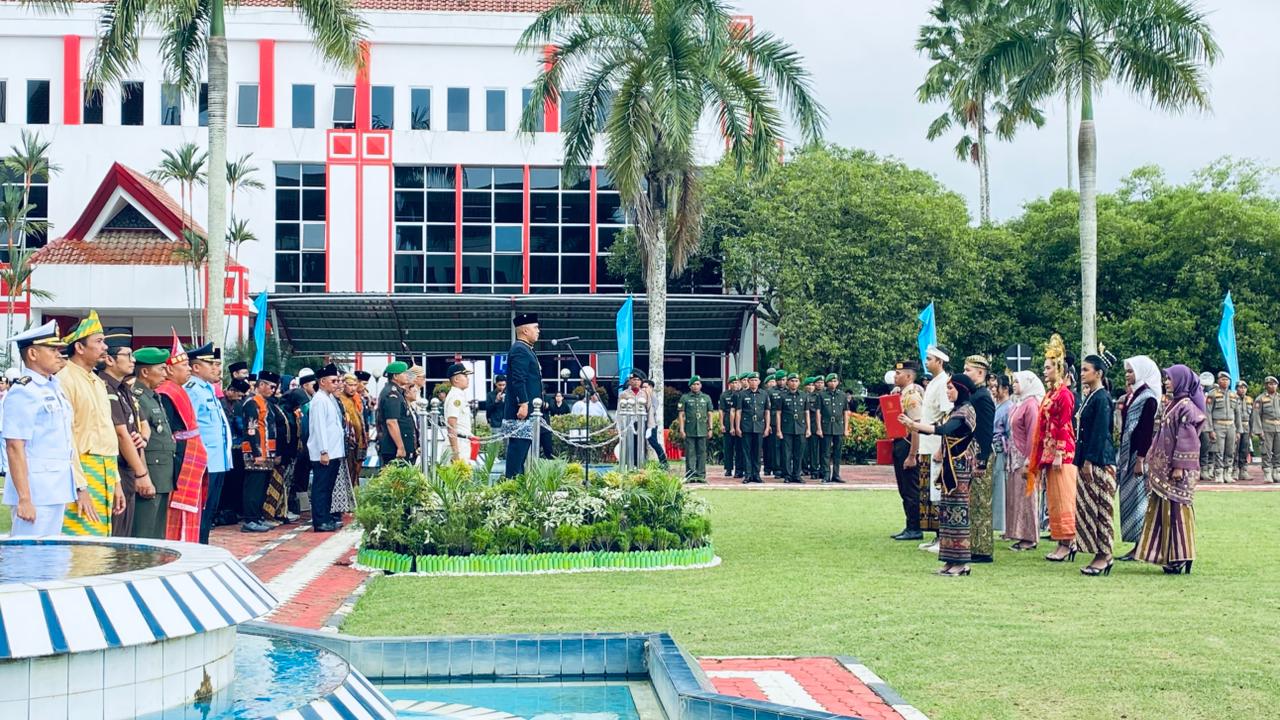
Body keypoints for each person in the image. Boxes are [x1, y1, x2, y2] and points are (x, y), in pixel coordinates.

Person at [2, 322, 77, 536]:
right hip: (35, 491)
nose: (58, 354)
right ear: (33, 354)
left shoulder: (53, 387)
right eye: (52, 349)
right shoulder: (24, 391)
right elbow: (15, 446)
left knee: (51, 553)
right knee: (29, 552)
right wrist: (24, 498)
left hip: (56, 487)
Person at [901, 373, 979, 577]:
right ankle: (950, 559)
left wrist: (914, 425)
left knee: (958, 514)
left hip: (959, 468)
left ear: (961, 390)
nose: (948, 392)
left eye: (951, 388)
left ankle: (961, 562)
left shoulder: (966, 411)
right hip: (950, 467)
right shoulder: (956, 410)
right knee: (947, 514)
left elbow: (943, 430)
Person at [58, 311, 126, 535]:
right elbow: (66, 438)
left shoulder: (97, 381)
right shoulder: (64, 380)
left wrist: (116, 482)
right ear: (79, 347)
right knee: (80, 540)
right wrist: (80, 487)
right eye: (98, 341)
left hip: (106, 469)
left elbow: (107, 434)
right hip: (81, 470)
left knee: (101, 540)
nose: (105, 347)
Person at [1138, 364, 1207, 574]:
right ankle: (1169, 555)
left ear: (1181, 381)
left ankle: (1182, 556)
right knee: (1166, 511)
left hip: (1177, 471)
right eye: (1166, 379)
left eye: (1169, 379)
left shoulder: (1186, 407)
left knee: (1178, 511)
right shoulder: (1172, 404)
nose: (1166, 382)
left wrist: (1179, 467)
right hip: (1165, 469)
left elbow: (1188, 440)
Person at [156, 339, 208, 542]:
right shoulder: (166, 393)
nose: (189, 369)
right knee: (176, 513)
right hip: (179, 460)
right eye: (185, 365)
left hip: (191, 457)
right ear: (169, 369)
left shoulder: (179, 390)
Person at [1031, 334, 1078, 562]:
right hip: (1050, 453)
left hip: (1062, 454)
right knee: (1053, 499)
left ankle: (1068, 542)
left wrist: (1059, 453)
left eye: (1048, 367)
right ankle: (1061, 540)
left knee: (1063, 497)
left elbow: (1063, 425)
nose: (1044, 371)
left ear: (1058, 369)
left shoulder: (1065, 395)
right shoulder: (1051, 393)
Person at [100, 340, 151, 537]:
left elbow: (140, 425)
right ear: (109, 360)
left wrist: (142, 439)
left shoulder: (123, 388)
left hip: (129, 468)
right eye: (128, 355)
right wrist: (141, 474)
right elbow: (121, 434)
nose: (133, 360)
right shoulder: (105, 387)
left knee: (124, 532)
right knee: (115, 532)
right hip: (117, 468)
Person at [1074, 350, 1118, 576]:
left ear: (1098, 373)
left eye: (1086, 370)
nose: (1082, 373)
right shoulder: (1092, 396)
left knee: (1102, 509)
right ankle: (1099, 553)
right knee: (1090, 508)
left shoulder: (1102, 398)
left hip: (1100, 461)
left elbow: (1100, 432)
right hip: (1088, 460)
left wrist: (1089, 461)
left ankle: (1105, 555)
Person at [185, 344, 233, 544]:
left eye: (217, 364)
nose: (217, 369)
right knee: (202, 511)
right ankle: (198, 546)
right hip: (205, 462)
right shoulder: (193, 390)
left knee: (210, 510)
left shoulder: (208, 389)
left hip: (218, 460)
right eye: (211, 364)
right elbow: (190, 426)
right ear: (196, 367)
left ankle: (203, 543)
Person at [1116, 355, 1160, 561]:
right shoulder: (1134, 395)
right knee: (1130, 500)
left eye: (1131, 371)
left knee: (1139, 501)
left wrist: (1141, 459)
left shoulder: (1148, 397)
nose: (1127, 375)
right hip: (1128, 454)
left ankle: (1141, 547)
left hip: (1138, 456)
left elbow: (1145, 431)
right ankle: (1137, 546)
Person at [130, 348, 175, 539]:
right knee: (144, 531)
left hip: (162, 473)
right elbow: (135, 441)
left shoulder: (153, 396)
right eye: (161, 369)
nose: (166, 374)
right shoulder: (137, 397)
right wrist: (142, 475)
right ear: (145, 372)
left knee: (157, 532)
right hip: (149, 472)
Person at [917, 345, 954, 551]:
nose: (926, 362)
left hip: (936, 446)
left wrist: (942, 447)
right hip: (926, 444)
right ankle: (937, 536)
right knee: (929, 494)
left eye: (930, 359)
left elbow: (946, 417)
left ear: (939, 361)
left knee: (938, 492)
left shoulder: (944, 384)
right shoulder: (933, 382)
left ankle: (944, 538)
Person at [238, 370, 281, 533]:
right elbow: (252, 429)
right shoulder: (252, 403)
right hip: (255, 451)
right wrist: (257, 453)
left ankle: (257, 516)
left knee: (262, 486)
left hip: (267, 450)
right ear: (261, 384)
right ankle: (250, 519)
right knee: (254, 486)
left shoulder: (266, 403)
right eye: (271, 386)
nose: (273, 390)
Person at [1005, 370, 1044, 551]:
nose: (1013, 385)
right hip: (1014, 456)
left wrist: (1030, 459)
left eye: (1017, 382)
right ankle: (1018, 533)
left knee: (1027, 496)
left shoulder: (1031, 404)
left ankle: (1030, 537)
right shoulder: (1018, 403)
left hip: (1025, 457)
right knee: (1017, 496)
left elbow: (1033, 434)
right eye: (1013, 382)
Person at [963, 355, 996, 563]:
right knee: (973, 501)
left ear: (980, 373)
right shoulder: (975, 394)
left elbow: (985, 430)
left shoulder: (982, 397)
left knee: (981, 503)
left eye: (968, 370)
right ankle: (974, 545)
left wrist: (982, 459)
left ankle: (982, 549)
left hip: (980, 453)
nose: (965, 373)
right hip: (974, 452)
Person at [503, 313, 543, 478]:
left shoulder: (526, 349)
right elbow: (518, 380)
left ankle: (517, 482)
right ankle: (512, 484)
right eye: (535, 327)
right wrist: (524, 403)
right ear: (525, 331)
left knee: (522, 451)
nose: (538, 331)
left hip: (527, 410)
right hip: (521, 410)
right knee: (517, 451)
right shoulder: (520, 349)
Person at [306, 364, 346, 532]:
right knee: (321, 488)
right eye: (333, 381)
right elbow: (320, 427)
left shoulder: (328, 398)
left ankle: (327, 517)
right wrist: (323, 451)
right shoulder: (319, 400)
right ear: (322, 381)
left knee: (328, 487)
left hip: (334, 451)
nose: (337, 384)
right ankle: (320, 520)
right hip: (324, 452)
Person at [890, 360, 925, 541]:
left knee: (910, 488)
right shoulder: (901, 394)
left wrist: (912, 455)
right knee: (903, 488)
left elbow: (916, 427)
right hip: (900, 442)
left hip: (908, 443)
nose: (895, 376)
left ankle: (914, 527)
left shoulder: (912, 396)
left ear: (909, 376)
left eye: (899, 374)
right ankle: (910, 525)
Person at [376, 361, 414, 466]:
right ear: (395, 376)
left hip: (398, 446)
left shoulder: (397, 392)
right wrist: (400, 447)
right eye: (404, 373)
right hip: (393, 448)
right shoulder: (392, 394)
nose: (407, 376)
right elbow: (391, 422)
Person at [1205, 371, 1240, 483]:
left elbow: (1237, 414)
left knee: (1230, 451)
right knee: (1219, 451)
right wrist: (1210, 429)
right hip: (1218, 425)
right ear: (1218, 381)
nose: (1225, 381)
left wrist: (1238, 430)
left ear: (1230, 382)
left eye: (1227, 380)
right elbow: (1208, 413)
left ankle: (1227, 473)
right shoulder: (1213, 394)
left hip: (1231, 425)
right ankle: (1219, 473)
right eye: (1222, 379)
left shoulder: (1234, 395)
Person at [735, 372, 767, 484]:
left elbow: (766, 412)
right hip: (746, 426)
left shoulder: (764, 394)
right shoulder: (742, 394)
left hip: (759, 426)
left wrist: (767, 427)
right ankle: (748, 475)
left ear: (759, 382)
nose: (754, 382)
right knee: (746, 451)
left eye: (756, 380)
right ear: (748, 382)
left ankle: (756, 474)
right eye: (751, 380)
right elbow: (738, 411)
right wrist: (737, 427)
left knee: (757, 452)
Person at [991, 373, 1013, 535]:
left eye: (995, 386)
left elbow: (1010, 433)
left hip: (1002, 450)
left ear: (1005, 389)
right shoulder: (996, 406)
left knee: (1002, 488)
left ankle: (1005, 526)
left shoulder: (1009, 407)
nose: (992, 389)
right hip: (993, 449)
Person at [678, 376, 712, 482]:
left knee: (702, 453)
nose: (696, 386)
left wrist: (710, 428)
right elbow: (681, 415)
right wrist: (681, 429)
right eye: (694, 384)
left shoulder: (706, 398)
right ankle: (690, 475)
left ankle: (701, 475)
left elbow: (709, 414)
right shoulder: (685, 398)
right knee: (690, 453)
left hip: (702, 429)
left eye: (698, 384)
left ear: (701, 385)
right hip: (690, 429)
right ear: (690, 386)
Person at [776, 373, 808, 484]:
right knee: (786, 453)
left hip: (800, 427)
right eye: (792, 381)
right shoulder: (782, 396)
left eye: (796, 381)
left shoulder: (803, 395)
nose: (794, 383)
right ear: (788, 382)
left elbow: (806, 412)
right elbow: (778, 413)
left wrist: (808, 428)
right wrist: (778, 430)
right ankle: (787, 475)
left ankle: (797, 475)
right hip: (787, 428)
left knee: (799, 453)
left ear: (799, 383)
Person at [339, 373, 369, 487]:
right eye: (350, 385)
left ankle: (354, 492)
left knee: (356, 471)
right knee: (349, 470)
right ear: (344, 385)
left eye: (354, 385)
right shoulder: (341, 400)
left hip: (359, 440)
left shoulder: (356, 399)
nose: (352, 388)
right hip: (348, 442)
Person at [819, 373, 849, 483]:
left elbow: (846, 412)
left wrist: (846, 428)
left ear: (838, 382)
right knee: (825, 452)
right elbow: (818, 412)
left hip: (838, 426)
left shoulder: (842, 395)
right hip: (826, 426)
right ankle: (826, 474)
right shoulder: (822, 395)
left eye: (835, 381)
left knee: (837, 452)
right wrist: (819, 428)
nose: (833, 383)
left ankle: (836, 474)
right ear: (827, 383)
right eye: (831, 381)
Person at [443, 363, 475, 463]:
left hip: (463, 441)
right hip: (458, 443)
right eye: (465, 376)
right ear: (456, 379)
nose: (468, 379)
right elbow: (451, 424)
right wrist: (455, 452)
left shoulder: (459, 395)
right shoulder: (455, 396)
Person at [1252, 376, 1280, 482]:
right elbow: (1256, 415)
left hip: (1278, 428)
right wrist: (1259, 431)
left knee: (1278, 452)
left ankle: (1277, 472)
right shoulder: (1260, 399)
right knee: (1266, 452)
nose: (1272, 386)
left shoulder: (1279, 397)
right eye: (1270, 384)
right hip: (1266, 428)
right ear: (1266, 385)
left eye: (1274, 384)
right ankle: (1267, 473)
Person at [641, 379, 670, 469]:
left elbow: (651, 411)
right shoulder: (643, 397)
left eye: (645, 387)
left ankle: (663, 462)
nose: (643, 389)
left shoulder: (653, 398)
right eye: (642, 387)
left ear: (651, 388)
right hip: (642, 423)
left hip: (651, 424)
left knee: (654, 443)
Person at [719, 375, 741, 478]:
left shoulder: (742, 394)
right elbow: (721, 411)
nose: (735, 384)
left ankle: (739, 469)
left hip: (740, 423)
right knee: (728, 447)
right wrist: (721, 424)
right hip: (728, 422)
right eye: (733, 383)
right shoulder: (724, 395)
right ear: (729, 384)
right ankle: (728, 468)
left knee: (739, 448)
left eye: (736, 382)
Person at [1235, 380, 1252, 481]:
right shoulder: (1232, 398)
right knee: (1234, 449)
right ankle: (1234, 470)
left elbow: (1252, 416)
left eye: (1244, 388)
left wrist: (1252, 430)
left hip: (1246, 426)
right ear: (1236, 389)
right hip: (1235, 426)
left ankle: (1243, 471)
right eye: (1240, 387)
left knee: (1244, 449)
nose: (1242, 389)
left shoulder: (1249, 400)